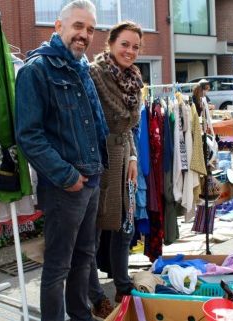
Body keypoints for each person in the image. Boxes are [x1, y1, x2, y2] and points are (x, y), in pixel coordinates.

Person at [14, 1, 109, 320]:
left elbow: (93, 124)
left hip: (91, 181)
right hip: (65, 187)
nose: (84, 34)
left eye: (91, 29)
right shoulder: (35, 70)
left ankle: (80, 315)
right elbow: (29, 136)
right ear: (58, 27)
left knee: (85, 257)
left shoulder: (82, 68)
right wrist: (67, 176)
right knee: (57, 266)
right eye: (78, 26)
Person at [86, 21, 143, 319]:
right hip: (100, 157)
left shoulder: (134, 78)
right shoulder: (94, 74)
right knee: (93, 231)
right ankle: (95, 296)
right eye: (125, 44)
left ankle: (123, 285)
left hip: (124, 158)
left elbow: (129, 128)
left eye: (135, 46)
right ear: (110, 43)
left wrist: (133, 157)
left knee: (125, 227)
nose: (130, 51)